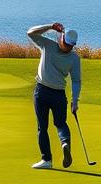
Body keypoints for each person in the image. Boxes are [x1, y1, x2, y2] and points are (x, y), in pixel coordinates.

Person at [25, 22, 81, 169]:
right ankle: (65, 143)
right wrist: (75, 101)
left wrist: (50, 26)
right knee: (60, 124)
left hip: (42, 92)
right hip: (59, 95)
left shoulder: (48, 45)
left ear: (62, 38)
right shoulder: (74, 58)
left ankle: (47, 160)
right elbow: (76, 81)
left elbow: (30, 32)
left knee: (42, 127)